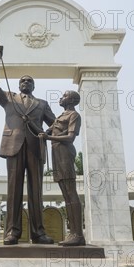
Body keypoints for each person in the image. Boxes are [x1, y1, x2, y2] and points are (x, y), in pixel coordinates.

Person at [0, 45, 56, 245]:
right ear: (19, 85)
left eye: (30, 81)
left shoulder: (42, 104)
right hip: (13, 145)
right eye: (23, 80)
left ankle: (38, 233)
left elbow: (55, 124)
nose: (26, 82)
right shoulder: (8, 98)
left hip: (35, 147)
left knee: (36, 191)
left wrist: (46, 133)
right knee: (13, 190)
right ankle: (12, 233)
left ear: (33, 86)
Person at [40, 91, 86, 246]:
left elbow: (70, 138)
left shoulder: (74, 115)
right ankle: (73, 234)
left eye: (64, 96)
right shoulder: (60, 116)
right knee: (66, 194)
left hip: (65, 153)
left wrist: (49, 137)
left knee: (71, 192)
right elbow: (46, 131)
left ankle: (78, 235)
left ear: (72, 100)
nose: (60, 98)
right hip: (56, 153)